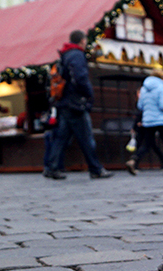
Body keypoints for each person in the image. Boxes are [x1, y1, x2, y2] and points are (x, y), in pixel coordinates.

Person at [44, 30, 112, 180]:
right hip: (75, 102)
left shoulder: (65, 55)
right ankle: (96, 169)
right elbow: (80, 77)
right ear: (82, 40)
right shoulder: (76, 54)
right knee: (86, 138)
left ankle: (52, 167)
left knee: (61, 137)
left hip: (64, 102)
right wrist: (89, 94)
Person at [126, 69, 163, 176]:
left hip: (148, 120)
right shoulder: (161, 87)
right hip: (161, 120)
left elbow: (140, 106)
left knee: (146, 143)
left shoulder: (144, 88)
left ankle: (134, 160)